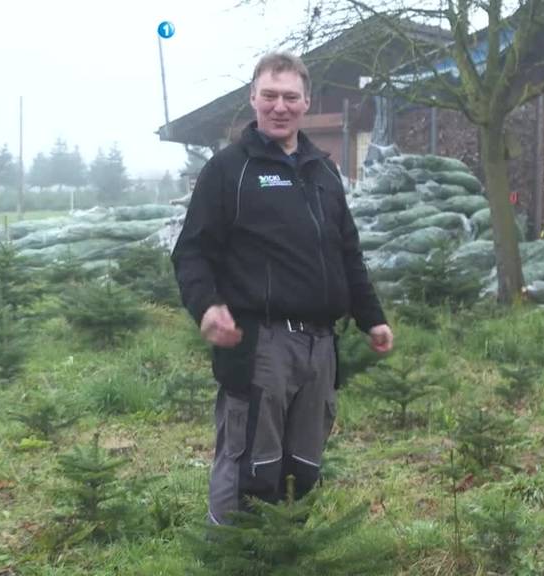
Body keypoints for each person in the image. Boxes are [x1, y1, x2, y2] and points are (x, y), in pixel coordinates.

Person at [171, 52, 393, 525]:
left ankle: (289, 558)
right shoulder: (229, 170)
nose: (279, 106)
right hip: (260, 345)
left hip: (320, 347)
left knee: (303, 466)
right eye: (269, 95)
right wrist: (207, 307)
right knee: (248, 460)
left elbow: (347, 252)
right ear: (252, 98)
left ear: (306, 102)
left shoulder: (322, 171)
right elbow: (191, 252)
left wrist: (371, 316)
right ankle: (228, 560)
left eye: (290, 97)